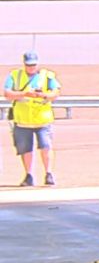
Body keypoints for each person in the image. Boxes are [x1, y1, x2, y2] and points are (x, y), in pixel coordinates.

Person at [5, 51, 61, 187]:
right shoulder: (15, 75)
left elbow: (56, 92)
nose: (31, 67)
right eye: (29, 65)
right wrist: (25, 93)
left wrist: (45, 95)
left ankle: (48, 174)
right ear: (24, 64)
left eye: (33, 65)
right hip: (23, 120)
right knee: (25, 149)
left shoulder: (47, 76)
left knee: (46, 147)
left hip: (42, 120)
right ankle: (29, 175)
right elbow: (7, 93)